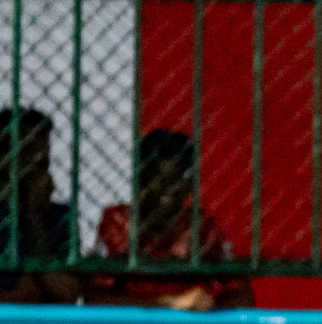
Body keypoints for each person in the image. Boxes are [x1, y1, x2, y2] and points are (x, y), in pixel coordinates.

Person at [88, 130, 251, 310]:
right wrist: (167, 304)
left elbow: (241, 297)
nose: (166, 191)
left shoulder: (201, 227)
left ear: (188, 185)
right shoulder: (119, 223)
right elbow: (94, 297)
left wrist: (208, 302)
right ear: (140, 181)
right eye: (156, 179)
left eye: (176, 180)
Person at [0, 108, 80, 304]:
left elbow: (67, 293)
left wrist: (34, 217)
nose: (36, 162)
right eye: (27, 153)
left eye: (42, 158)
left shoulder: (60, 218)